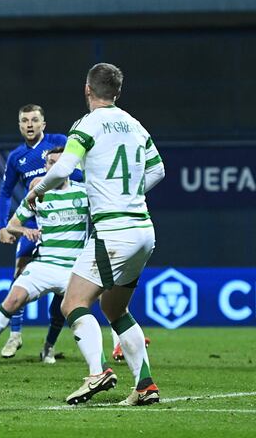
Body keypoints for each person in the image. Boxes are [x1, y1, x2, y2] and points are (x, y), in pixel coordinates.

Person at [26, 63, 165, 406]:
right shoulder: (135, 124)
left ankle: (97, 371)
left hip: (114, 231)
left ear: (87, 89)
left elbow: (63, 167)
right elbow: (158, 170)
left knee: (72, 302)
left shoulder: (87, 124)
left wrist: (37, 190)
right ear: (117, 92)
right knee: (115, 309)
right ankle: (145, 385)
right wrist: (128, 195)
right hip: (143, 230)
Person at [0, 147, 88, 365]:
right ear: (45, 167)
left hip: (74, 269)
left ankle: (51, 349)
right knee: (13, 300)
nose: (55, 167)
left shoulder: (85, 192)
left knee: (76, 311)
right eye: (51, 163)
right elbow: (12, 225)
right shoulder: (37, 195)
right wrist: (25, 230)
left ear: (69, 167)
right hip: (44, 264)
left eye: (60, 163)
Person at [0, 104, 82, 362]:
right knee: (19, 274)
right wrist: (2, 225)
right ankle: (15, 335)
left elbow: (78, 173)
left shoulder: (59, 142)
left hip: (64, 220)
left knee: (65, 292)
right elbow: (5, 193)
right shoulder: (17, 157)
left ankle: (50, 344)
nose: (30, 124)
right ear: (19, 125)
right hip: (33, 222)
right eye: (25, 121)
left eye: (34, 120)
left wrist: (48, 179)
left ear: (43, 123)